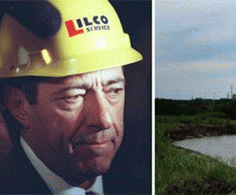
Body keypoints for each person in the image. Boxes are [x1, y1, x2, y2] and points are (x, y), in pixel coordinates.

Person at [0, 0, 150, 194]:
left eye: (114, 91)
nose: (104, 119)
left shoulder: (141, 183)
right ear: (19, 106)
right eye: (74, 96)